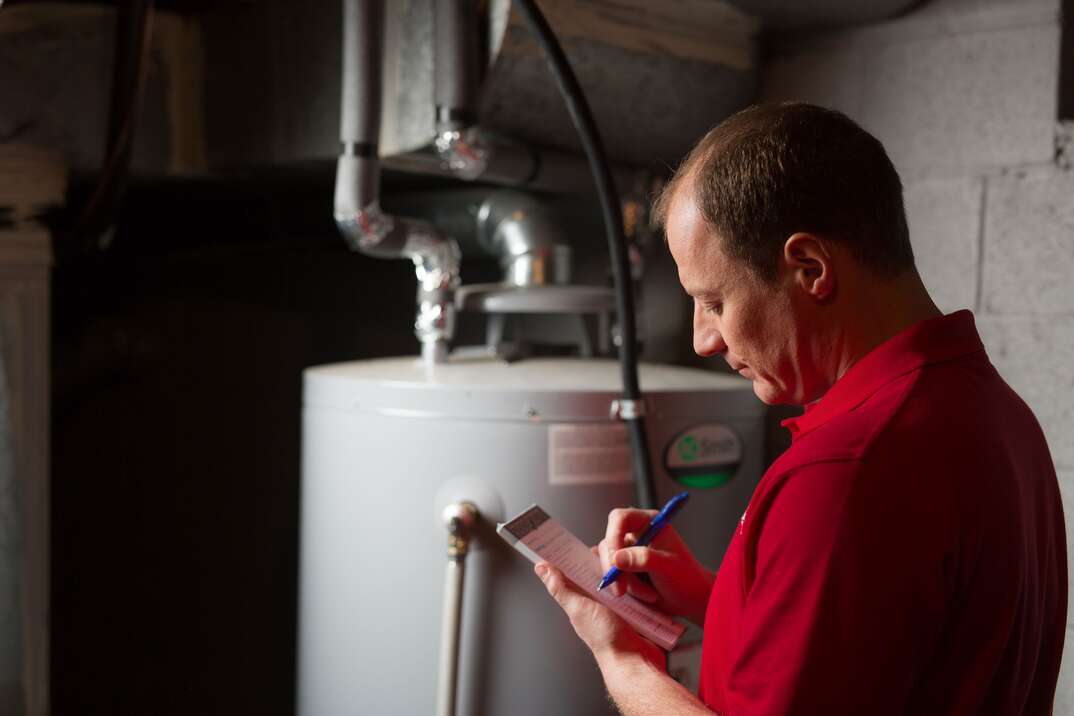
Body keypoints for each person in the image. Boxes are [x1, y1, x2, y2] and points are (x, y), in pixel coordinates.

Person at [532, 102, 1067, 715]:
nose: (704, 340)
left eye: (713, 300)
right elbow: (894, 650)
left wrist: (620, 658)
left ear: (810, 268)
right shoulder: (994, 412)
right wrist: (719, 595)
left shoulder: (844, 472)